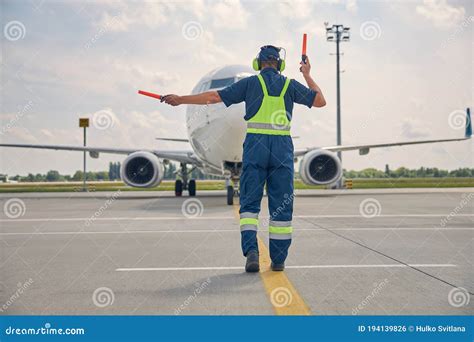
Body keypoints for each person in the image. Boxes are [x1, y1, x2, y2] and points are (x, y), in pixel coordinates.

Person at [162, 45, 326, 272]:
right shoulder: (290, 85)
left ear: (257, 64)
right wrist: (307, 75)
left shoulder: (250, 83)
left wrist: (180, 99)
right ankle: (278, 260)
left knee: (249, 204)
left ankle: (252, 253)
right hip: (281, 150)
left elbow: (213, 97)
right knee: (282, 205)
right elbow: (320, 101)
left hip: (255, 146)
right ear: (280, 65)